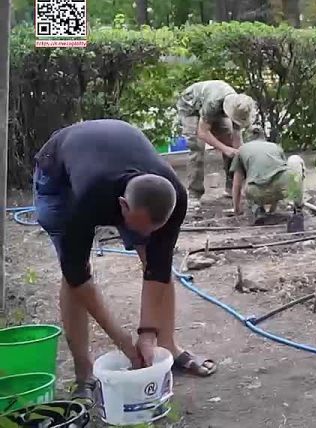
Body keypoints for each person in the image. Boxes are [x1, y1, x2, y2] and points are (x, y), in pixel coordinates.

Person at [33, 119, 217, 402]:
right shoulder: (87, 200)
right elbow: (77, 276)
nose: (144, 235)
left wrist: (147, 335)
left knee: (155, 258)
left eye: (153, 228)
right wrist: (125, 344)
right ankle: (85, 373)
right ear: (122, 207)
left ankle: (168, 347)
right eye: (140, 227)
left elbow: (158, 269)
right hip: (58, 169)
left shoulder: (175, 197)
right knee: (71, 273)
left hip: (118, 160)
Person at [176, 80, 256, 208]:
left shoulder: (239, 106)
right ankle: (194, 193)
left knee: (228, 139)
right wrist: (225, 149)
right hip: (190, 107)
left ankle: (232, 188)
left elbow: (236, 137)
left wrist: (240, 153)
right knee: (197, 146)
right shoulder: (213, 103)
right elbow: (202, 132)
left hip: (215, 108)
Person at [229, 127, 307, 221]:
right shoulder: (275, 147)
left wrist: (237, 210)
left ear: (247, 138)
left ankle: (258, 210)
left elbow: (236, 184)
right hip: (282, 188)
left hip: (256, 192)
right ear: (263, 137)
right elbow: (278, 173)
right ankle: (298, 207)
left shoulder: (241, 150)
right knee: (294, 161)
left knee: (248, 183)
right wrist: (272, 210)